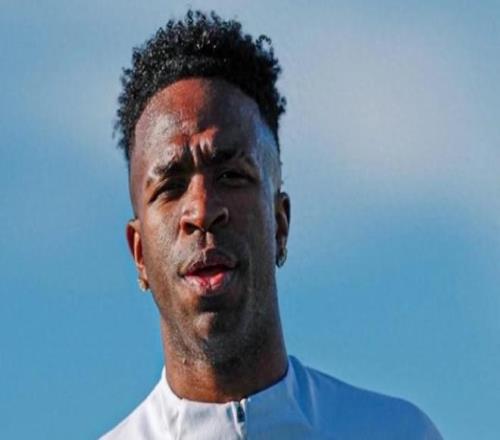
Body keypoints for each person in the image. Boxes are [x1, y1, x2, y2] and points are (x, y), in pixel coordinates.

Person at [101, 10, 442, 440]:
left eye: (231, 176)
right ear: (139, 254)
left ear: (280, 224)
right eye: (170, 187)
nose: (202, 211)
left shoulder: (394, 432)